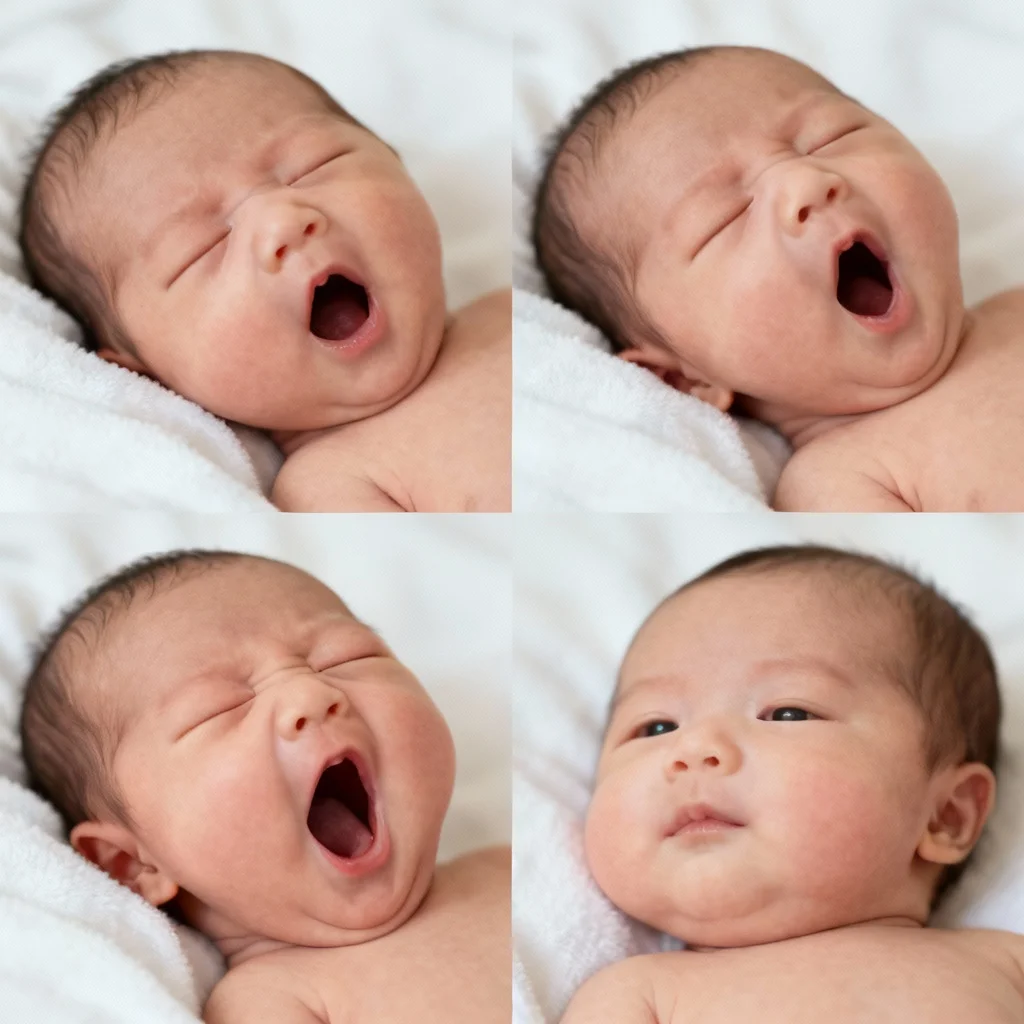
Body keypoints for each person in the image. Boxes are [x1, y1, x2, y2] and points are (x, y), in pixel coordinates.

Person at [20, 550, 509, 1022]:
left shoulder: (510, 868)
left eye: (346, 657)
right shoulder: (272, 1001)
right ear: (132, 863)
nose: (309, 693)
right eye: (217, 709)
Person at [20, 50, 511, 511]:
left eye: (313, 166)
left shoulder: (514, 313)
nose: (283, 221)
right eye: (202, 248)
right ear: (151, 378)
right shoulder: (332, 484)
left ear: (395, 163)